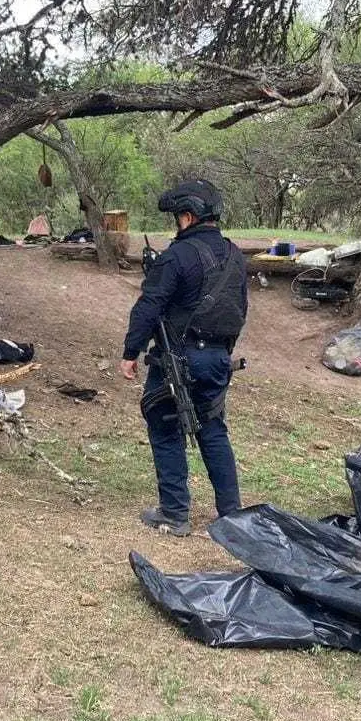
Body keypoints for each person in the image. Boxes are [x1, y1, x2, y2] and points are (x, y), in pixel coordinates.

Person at [121, 179, 248, 536]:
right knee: (214, 430)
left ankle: (174, 513)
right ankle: (232, 516)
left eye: (178, 217)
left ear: (188, 217)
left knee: (163, 424)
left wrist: (131, 351)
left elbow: (149, 305)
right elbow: (239, 308)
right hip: (219, 357)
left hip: (179, 355)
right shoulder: (234, 254)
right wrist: (224, 351)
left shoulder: (178, 255)